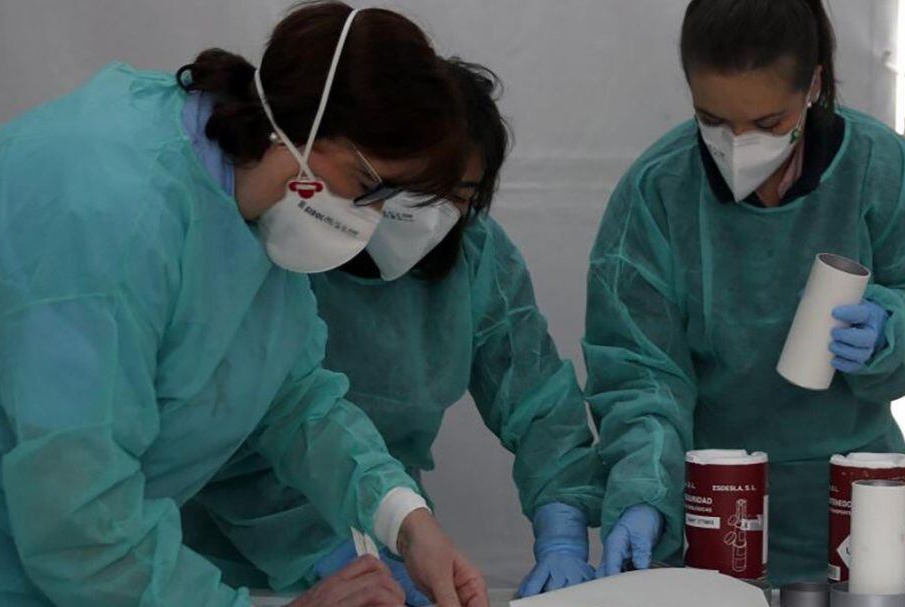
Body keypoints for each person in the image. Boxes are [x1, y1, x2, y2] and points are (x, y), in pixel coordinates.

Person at [0, 2, 489, 606]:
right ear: (304, 126)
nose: (371, 220)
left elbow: (295, 399)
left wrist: (406, 521)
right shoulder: (106, 207)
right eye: (367, 187)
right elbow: (76, 517)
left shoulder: (254, 206)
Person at [181, 59, 605, 603]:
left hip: (389, 527)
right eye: (418, 189)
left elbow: (538, 398)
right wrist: (333, 556)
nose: (432, 214)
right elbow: (245, 436)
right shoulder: (285, 244)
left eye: (459, 195)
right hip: (219, 568)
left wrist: (562, 531)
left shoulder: (474, 258)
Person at [584, 0, 905, 585]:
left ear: (814, 83)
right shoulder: (659, 190)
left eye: (767, 124)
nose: (737, 145)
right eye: (712, 120)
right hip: (709, 501)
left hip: (851, 496)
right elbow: (639, 370)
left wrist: (894, 327)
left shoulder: (879, 168)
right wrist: (644, 491)